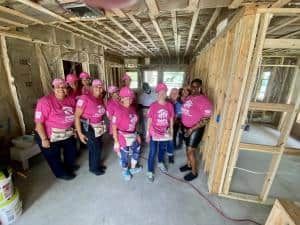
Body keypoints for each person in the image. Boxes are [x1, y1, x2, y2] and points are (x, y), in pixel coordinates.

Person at [34, 78, 78, 180]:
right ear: (53, 88)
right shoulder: (44, 102)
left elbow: (75, 116)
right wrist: (44, 139)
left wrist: (75, 130)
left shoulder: (71, 100)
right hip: (48, 135)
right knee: (53, 157)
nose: (61, 89)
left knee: (72, 151)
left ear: (68, 89)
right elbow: (38, 123)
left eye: (64, 87)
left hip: (67, 132)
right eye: (58, 87)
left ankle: (68, 167)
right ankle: (61, 173)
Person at [180, 79, 213, 181]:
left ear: (200, 87)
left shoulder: (205, 101)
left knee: (191, 151)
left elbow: (205, 120)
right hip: (185, 127)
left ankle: (194, 173)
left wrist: (191, 130)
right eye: (192, 86)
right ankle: (189, 165)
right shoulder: (189, 97)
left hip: (195, 129)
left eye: (196, 86)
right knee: (187, 148)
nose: (194, 88)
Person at [75, 79, 107, 176]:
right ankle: (94, 168)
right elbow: (76, 116)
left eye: (100, 86)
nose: (98, 88)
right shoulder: (84, 98)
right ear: (92, 87)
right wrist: (80, 133)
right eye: (96, 86)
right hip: (88, 127)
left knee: (98, 146)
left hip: (98, 127)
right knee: (95, 148)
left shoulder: (100, 98)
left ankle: (96, 164)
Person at [112, 87, 142, 181]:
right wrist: (116, 141)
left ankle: (133, 168)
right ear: (121, 98)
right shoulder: (118, 110)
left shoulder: (133, 108)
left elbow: (135, 123)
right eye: (126, 97)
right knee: (124, 154)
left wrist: (137, 134)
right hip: (122, 136)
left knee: (136, 149)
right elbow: (114, 127)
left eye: (130, 98)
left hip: (133, 134)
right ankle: (125, 171)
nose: (129, 100)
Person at [146, 83, 174, 183]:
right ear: (157, 94)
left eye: (164, 92)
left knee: (162, 149)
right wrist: (147, 134)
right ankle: (150, 171)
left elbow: (171, 119)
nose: (162, 94)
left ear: (166, 93)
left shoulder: (169, 105)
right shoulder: (153, 106)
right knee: (152, 151)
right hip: (154, 132)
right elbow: (149, 120)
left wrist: (171, 131)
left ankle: (160, 162)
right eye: (160, 92)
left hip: (164, 132)